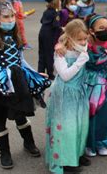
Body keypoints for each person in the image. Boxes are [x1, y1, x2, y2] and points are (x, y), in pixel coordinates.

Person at [0, 0, 51, 169]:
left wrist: (34, 73)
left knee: (20, 115)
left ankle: (29, 143)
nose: (10, 20)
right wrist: (2, 79)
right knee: (0, 120)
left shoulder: (15, 37)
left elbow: (20, 61)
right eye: (6, 17)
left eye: (12, 16)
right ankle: (4, 153)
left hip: (17, 83)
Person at [45, 19, 91, 174]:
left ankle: (77, 154)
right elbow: (64, 75)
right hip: (65, 94)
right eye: (80, 39)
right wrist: (80, 61)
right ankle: (65, 160)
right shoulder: (61, 52)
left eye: (85, 38)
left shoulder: (82, 48)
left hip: (79, 92)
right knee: (67, 128)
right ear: (69, 37)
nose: (84, 42)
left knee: (81, 125)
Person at [83, 14, 107, 157]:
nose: (106, 30)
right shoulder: (85, 43)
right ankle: (89, 144)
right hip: (92, 81)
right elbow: (65, 40)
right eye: (101, 28)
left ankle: (103, 143)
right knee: (92, 113)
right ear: (91, 30)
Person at [38, 0, 62, 80]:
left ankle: (40, 71)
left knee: (42, 53)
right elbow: (56, 25)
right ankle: (50, 73)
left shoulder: (46, 11)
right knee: (49, 54)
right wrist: (62, 29)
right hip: (49, 35)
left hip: (42, 32)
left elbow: (42, 21)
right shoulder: (55, 13)